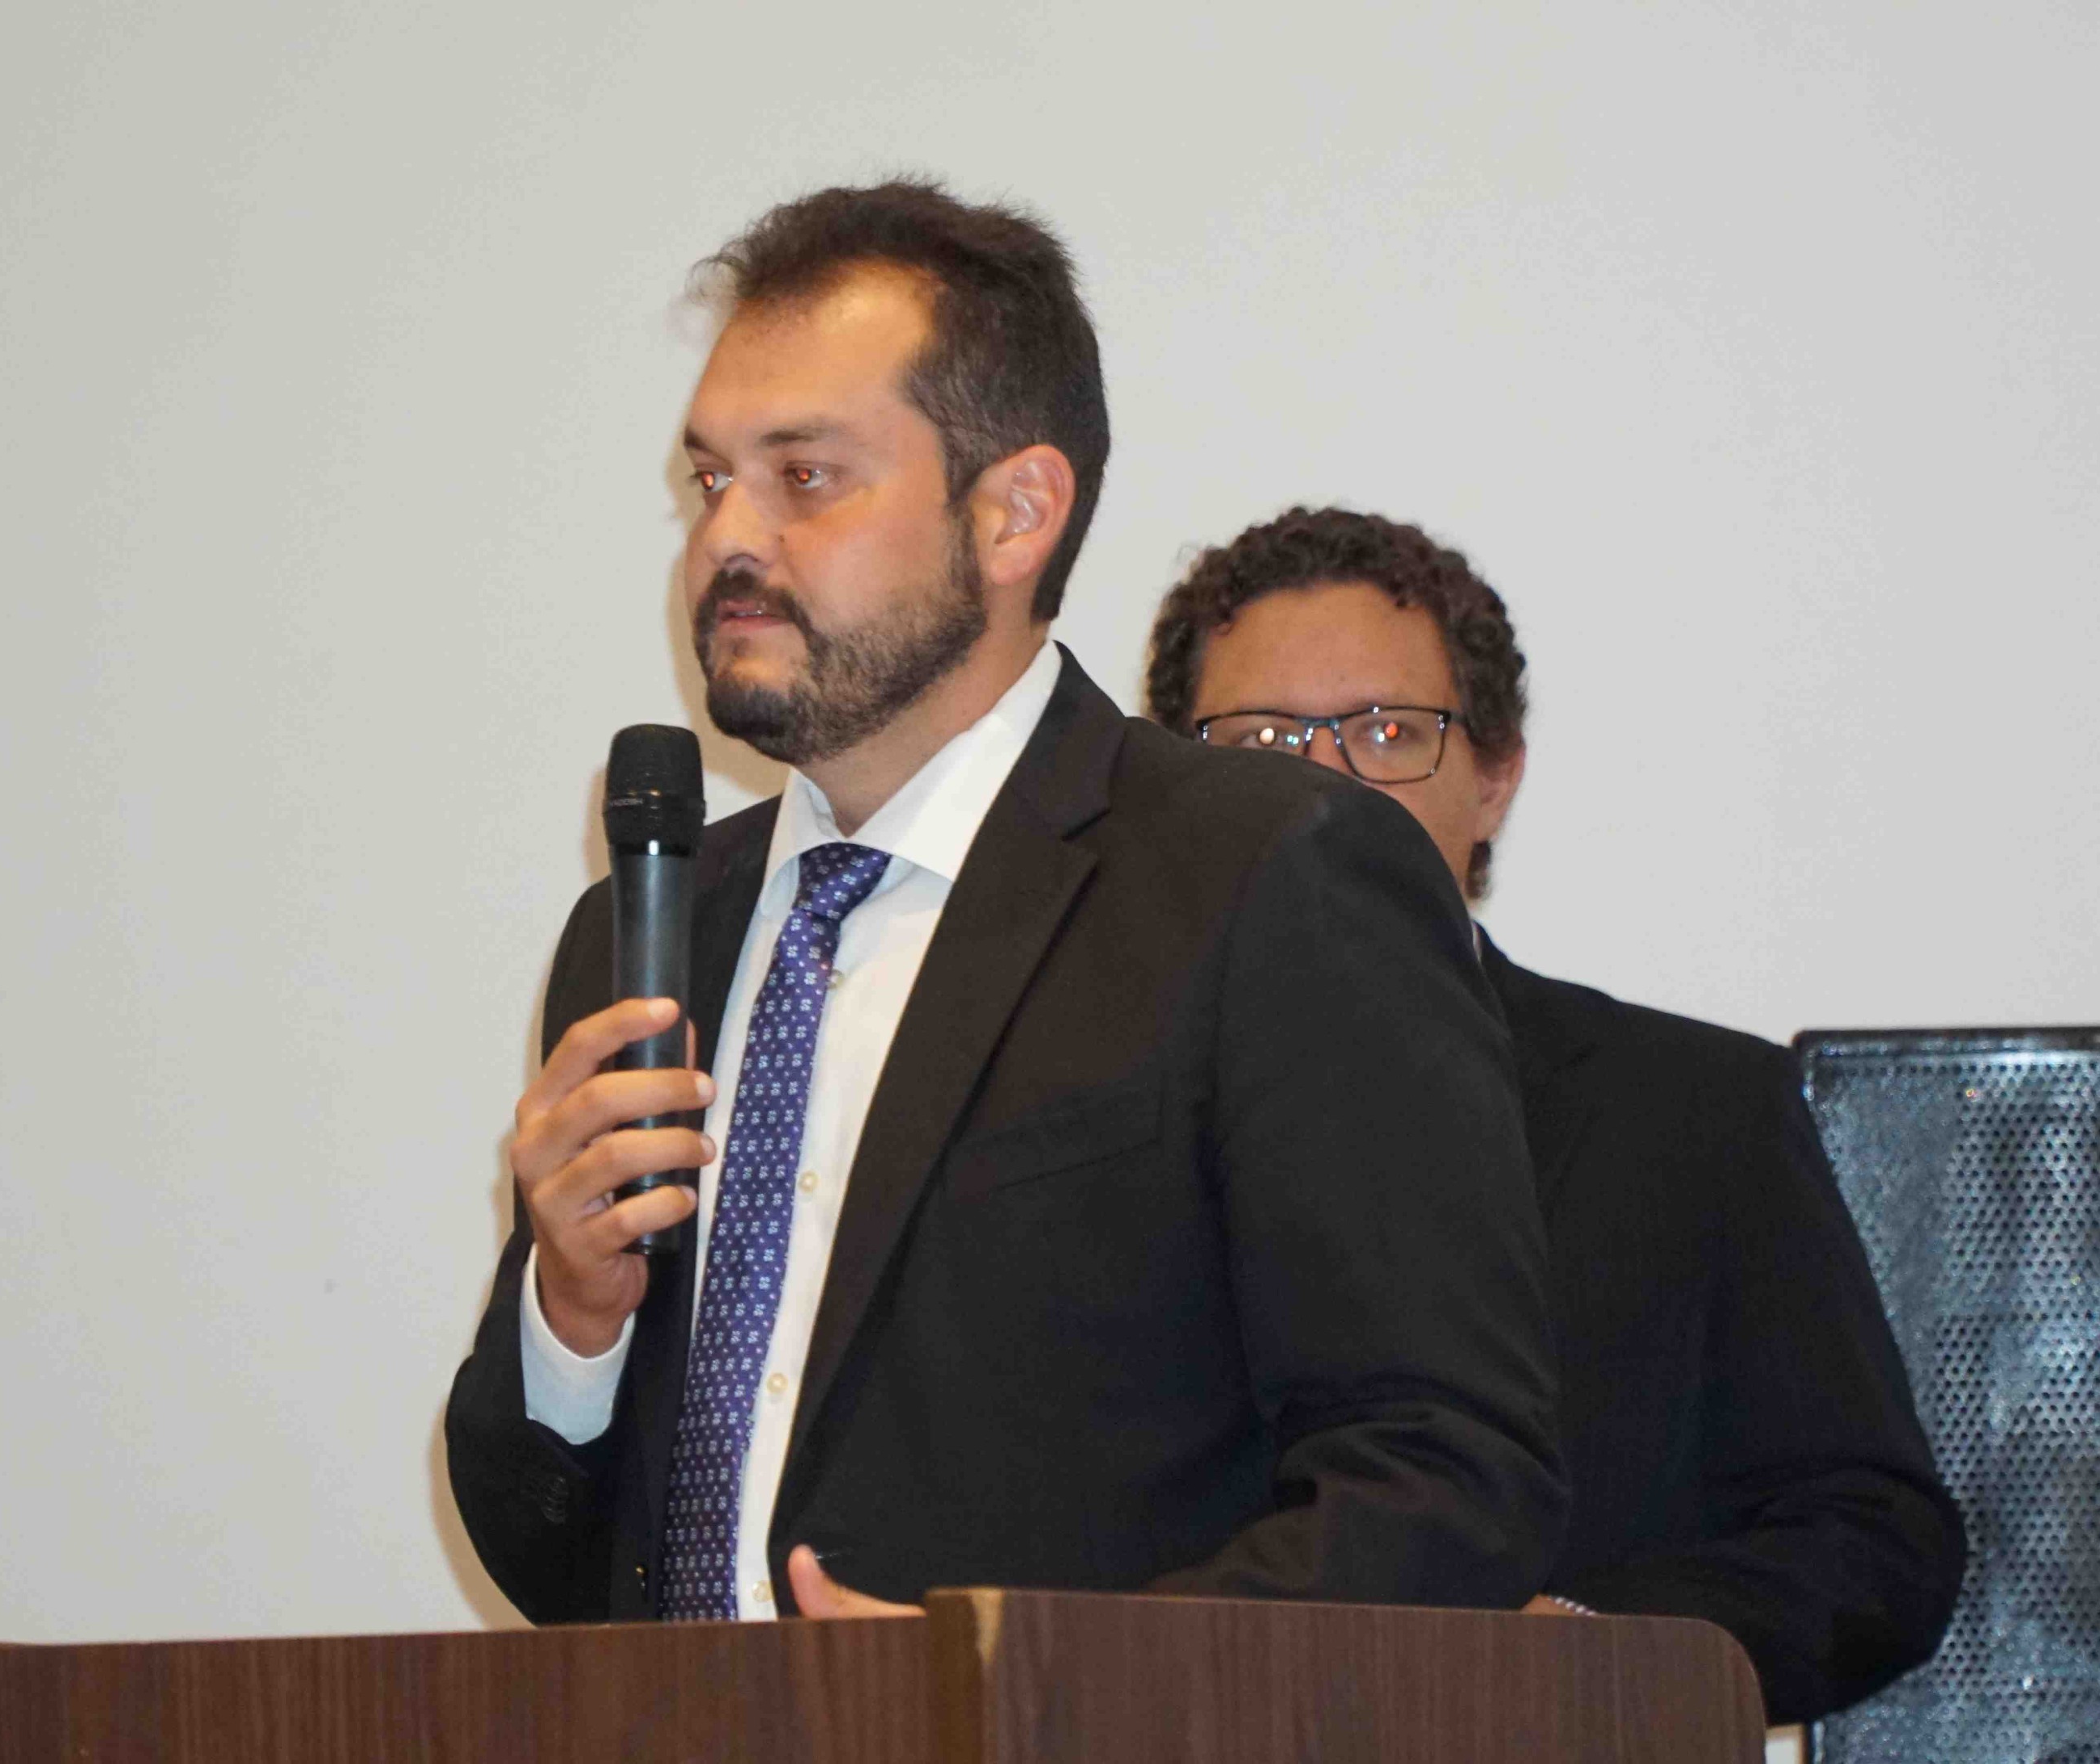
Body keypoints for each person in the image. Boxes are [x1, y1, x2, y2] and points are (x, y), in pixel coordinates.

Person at [445, 187, 1565, 1626]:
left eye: (805, 477)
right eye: (711, 478)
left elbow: (1444, 1487)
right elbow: (558, 1568)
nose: (727, 539)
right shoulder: (648, 936)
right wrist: (571, 1319)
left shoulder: (1271, 877)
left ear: (1015, 513)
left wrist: (1021, 1678)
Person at [1144, 506, 1966, 1722]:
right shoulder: (1070, 1120)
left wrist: (1587, 1651)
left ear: (1494, 778)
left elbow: (1875, 1543)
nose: (1320, 787)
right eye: (1259, 738)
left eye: (1386, 732)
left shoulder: (1698, 1111)